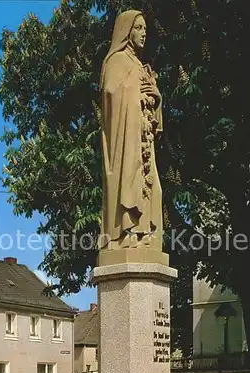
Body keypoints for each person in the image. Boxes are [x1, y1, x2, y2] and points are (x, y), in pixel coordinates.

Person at [99, 10, 163, 250]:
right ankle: (126, 232)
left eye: (145, 28)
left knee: (152, 188)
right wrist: (137, 94)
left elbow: (154, 115)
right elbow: (111, 96)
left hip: (144, 142)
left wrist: (156, 98)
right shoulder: (116, 62)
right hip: (126, 142)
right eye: (138, 28)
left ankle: (145, 233)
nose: (144, 33)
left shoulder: (141, 67)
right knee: (129, 180)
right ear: (127, 31)